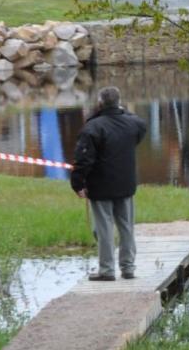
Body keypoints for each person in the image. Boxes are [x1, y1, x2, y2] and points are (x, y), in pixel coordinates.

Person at [70, 87, 149, 281]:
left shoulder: (93, 127)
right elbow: (139, 125)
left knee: (103, 229)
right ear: (119, 103)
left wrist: (77, 183)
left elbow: (83, 160)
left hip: (101, 185)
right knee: (126, 227)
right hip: (125, 184)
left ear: (100, 103)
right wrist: (120, 110)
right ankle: (128, 267)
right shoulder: (133, 124)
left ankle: (107, 270)